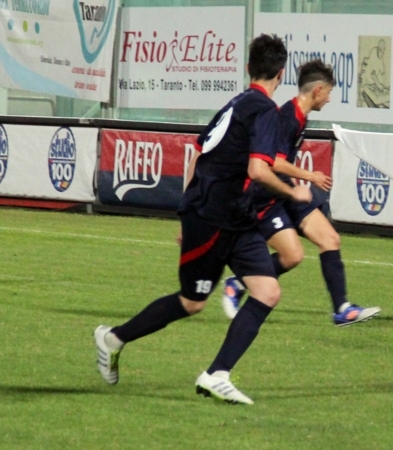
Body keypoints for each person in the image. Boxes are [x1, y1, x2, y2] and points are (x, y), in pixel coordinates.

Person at [93, 34, 311, 405]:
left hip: (232, 217)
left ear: (248, 69)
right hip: (212, 217)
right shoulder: (265, 111)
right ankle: (113, 338)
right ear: (281, 74)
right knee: (192, 302)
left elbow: (197, 155)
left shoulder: (237, 103)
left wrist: (185, 211)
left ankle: (216, 374)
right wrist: (293, 192)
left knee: (268, 291)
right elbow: (259, 170)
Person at [222, 59, 380, 326]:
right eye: (329, 92)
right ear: (317, 90)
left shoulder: (299, 115)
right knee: (292, 256)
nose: (329, 99)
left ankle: (342, 308)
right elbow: (272, 161)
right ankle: (237, 283)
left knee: (330, 238)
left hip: (289, 193)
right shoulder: (287, 117)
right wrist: (310, 176)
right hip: (267, 196)